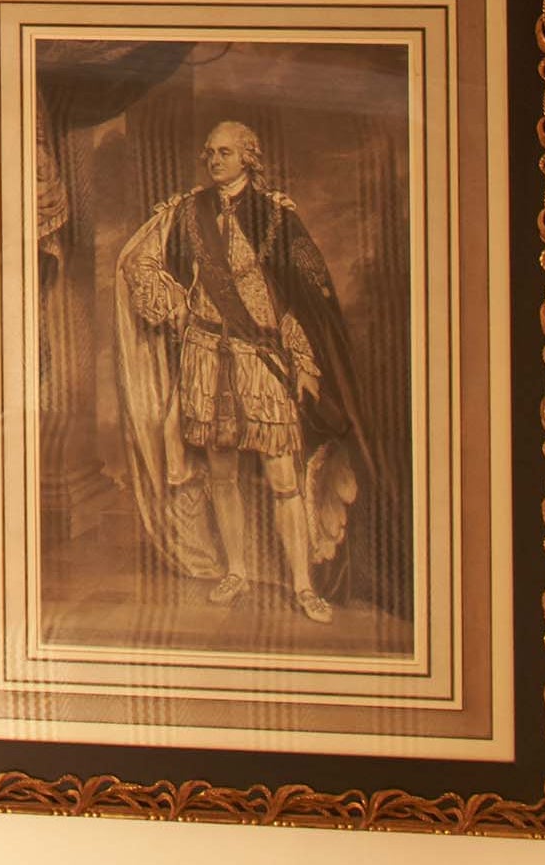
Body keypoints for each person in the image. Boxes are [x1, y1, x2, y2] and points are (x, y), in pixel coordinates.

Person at [113, 120, 364, 623]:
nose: (213, 160)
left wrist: (304, 360)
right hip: (206, 355)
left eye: (224, 152)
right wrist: (175, 302)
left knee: (282, 478)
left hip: (260, 357)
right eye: (209, 152)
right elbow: (139, 262)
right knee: (222, 474)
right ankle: (236, 571)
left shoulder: (275, 215)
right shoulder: (188, 212)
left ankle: (302, 585)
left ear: (249, 157)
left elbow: (303, 299)